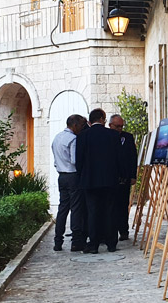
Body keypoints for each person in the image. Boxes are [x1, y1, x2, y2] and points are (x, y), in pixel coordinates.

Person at [75, 108, 121, 253]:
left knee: (92, 212)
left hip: (89, 180)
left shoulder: (83, 136)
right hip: (109, 179)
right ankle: (111, 243)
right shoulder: (113, 135)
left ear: (90, 120)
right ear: (102, 119)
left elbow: (79, 160)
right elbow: (118, 159)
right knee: (110, 210)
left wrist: (81, 176)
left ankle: (93, 244)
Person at [51, 114, 88, 251]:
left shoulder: (57, 137)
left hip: (61, 175)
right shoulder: (73, 139)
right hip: (72, 175)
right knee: (76, 208)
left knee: (63, 208)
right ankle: (76, 241)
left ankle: (58, 240)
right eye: (81, 126)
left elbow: (55, 160)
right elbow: (74, 160)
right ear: (75, 125)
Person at [109, 114, 137, 241]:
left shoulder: (128, 137)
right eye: (117, 126)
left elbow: (132, 157)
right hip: (111, 178)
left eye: (121, 126)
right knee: (111, 206)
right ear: (110, 125)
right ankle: (111, 231)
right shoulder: (106, 137)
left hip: (124, 177)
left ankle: (123, 231)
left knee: (123, 204)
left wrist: (132, 175)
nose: (120, 129)